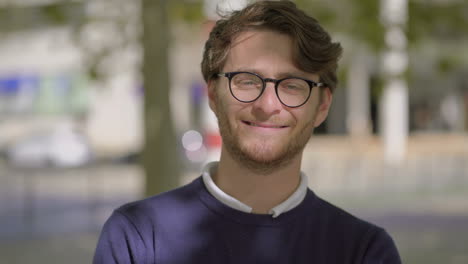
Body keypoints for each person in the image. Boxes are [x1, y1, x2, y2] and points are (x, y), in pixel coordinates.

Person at [93, 1, 402, 263]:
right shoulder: (137, 237)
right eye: (247, 81)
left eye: (293, 85)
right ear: (213, 94)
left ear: (322, 106)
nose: (268, 105)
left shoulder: (363, 252)